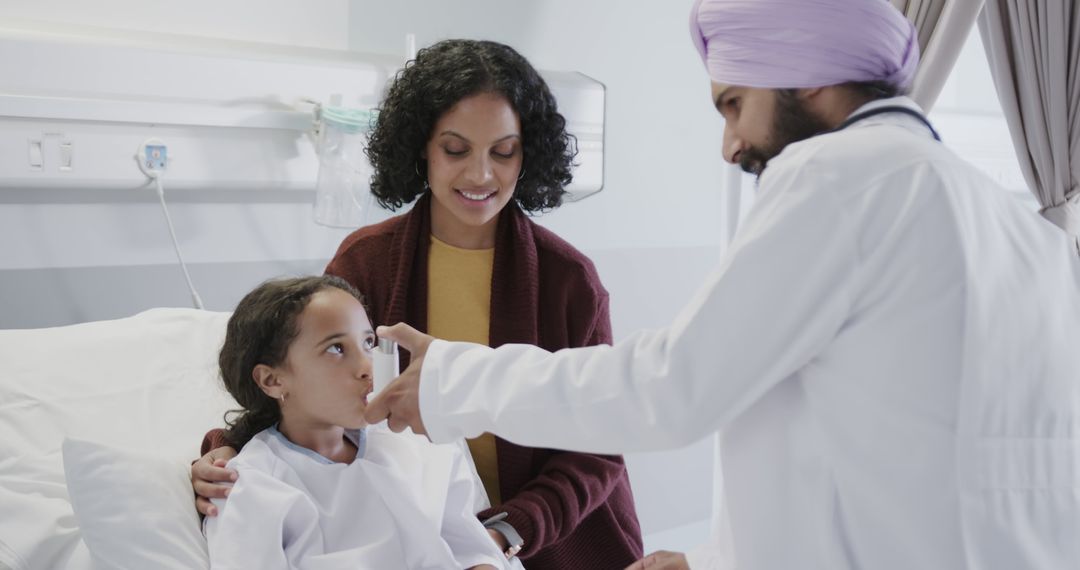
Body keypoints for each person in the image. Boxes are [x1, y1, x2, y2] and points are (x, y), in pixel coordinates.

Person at [363, 1, 1080, 569]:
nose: (731, 144)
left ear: (804, 78)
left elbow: (670, 389)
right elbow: (900, 467)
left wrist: (449, 377)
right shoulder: (1019, 227)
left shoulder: (840, 175)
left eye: (733, 103)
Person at [192, 39, 644, 568]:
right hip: (422, 530)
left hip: (551, 539)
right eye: (455, 150)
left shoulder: (568, 280)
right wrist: (227, 452)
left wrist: (501, 532)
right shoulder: (367, 262)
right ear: (421, 148)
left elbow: (598, 445)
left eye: (503, 151)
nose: (480, 175)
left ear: (529, 152)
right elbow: (309, 371)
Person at [202, 276, 508, 569]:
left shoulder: (415, 445)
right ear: (272, 380)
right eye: (336, 348)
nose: (367, 367)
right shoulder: (253, 487)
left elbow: (470, 545)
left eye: (368, 342)